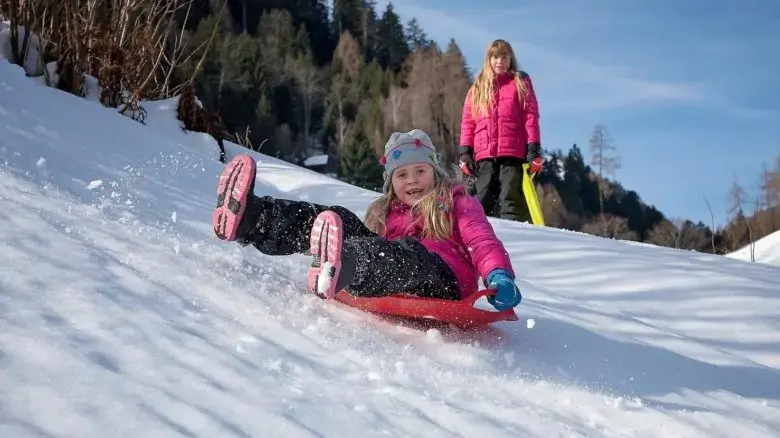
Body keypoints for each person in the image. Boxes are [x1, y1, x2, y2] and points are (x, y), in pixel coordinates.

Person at [211, 129, 522, 311]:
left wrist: (498, 275)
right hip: (395, 269)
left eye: (420, 172)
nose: (412, 181)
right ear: (391, 181)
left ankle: (344, 265)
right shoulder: (386, 211)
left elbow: (481, 240)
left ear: (435, 172)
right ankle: (253, 218)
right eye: (402, 174)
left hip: (446, 279)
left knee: (405, 255)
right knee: (339, 218)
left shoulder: (455, 200)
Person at [459, 39, 543, 223]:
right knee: (482, 198)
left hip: (513, 153)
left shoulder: (520, 82)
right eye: (495, 56)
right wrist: (465, 152)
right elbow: (468, 122)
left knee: (510, 198)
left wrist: (534, 148)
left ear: (510, 58)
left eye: (504, 56)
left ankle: (513, 235)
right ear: (488, 59)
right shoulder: (478, 87)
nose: (500, 61)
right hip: (484, 155)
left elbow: (531, 116)